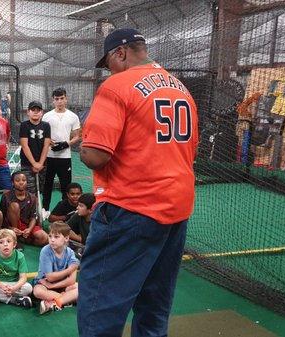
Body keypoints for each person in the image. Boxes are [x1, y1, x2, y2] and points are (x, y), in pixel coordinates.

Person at [78, 28, 198, 337]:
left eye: (109, 62)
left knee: (99, 305)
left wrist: (80, 144)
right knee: (154, 305)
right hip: (176, 211)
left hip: (129, 208)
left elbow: (95, 157)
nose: (109, 70)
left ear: (120, 53)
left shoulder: (117, 85)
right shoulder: (181, 88)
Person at [42, 87, 81, 218]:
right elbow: (42, 134)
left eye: (62, 98)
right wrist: (49, 142)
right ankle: (44, 209)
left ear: (66, 99)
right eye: (56, 99)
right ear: (53, 100)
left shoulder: (73, 116)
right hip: (49, 156)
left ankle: (65, 211)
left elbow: (77, 136)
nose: (59, 101)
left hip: (65, 156)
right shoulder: (47, 116)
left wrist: (66, 144)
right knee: (47, 184)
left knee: (66, 186)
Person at [33, 221, 79, 315]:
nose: (52, 240)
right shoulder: (46, 251)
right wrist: (69, 270)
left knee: (80, 287)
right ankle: (67, 300)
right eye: (50, 236)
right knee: (37, 291)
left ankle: (55, 302)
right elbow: (49, 277)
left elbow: (72, 281)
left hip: (62, 285)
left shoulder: (70, 253)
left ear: (66, 238)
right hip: (44, 284)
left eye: (56, 237)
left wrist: (53, 286)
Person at [0, 228, 33, 308]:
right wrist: (2, 286)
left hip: (14, 284)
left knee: (28, 288)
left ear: (14, 244)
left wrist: (14, 288)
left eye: (8, 241)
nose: (5, 244)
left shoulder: (20, 256)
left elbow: (23, 277)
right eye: (1, 242)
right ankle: (15, 300)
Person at [0, 171, 48, 247]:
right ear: (12, 183)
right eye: (17, 180)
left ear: (27, 182)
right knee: (15, 206)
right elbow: (2, 215)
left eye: (24, 180)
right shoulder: (6, 196)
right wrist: (10, 228)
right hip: (11, 226)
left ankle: (23, 240)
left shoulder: (32, 198)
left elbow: (33, 217)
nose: (21, 182)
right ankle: (14, 236)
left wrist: (29, 229)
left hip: (27, 226)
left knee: (43, 238)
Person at [19, 100, 51, 195]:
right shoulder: (24, 125)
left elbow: (46, 145)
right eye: (33, 110)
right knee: (29, 191)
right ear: (28, 112)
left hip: (42, 164)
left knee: (40, 190)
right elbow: (24, 145)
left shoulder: (46, 125)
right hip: (27, 164)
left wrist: (40, 163)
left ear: (42, 113)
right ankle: (31, 210)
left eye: (38, 110)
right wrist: (34, 163)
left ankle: (39, 209)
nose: (36, 112)